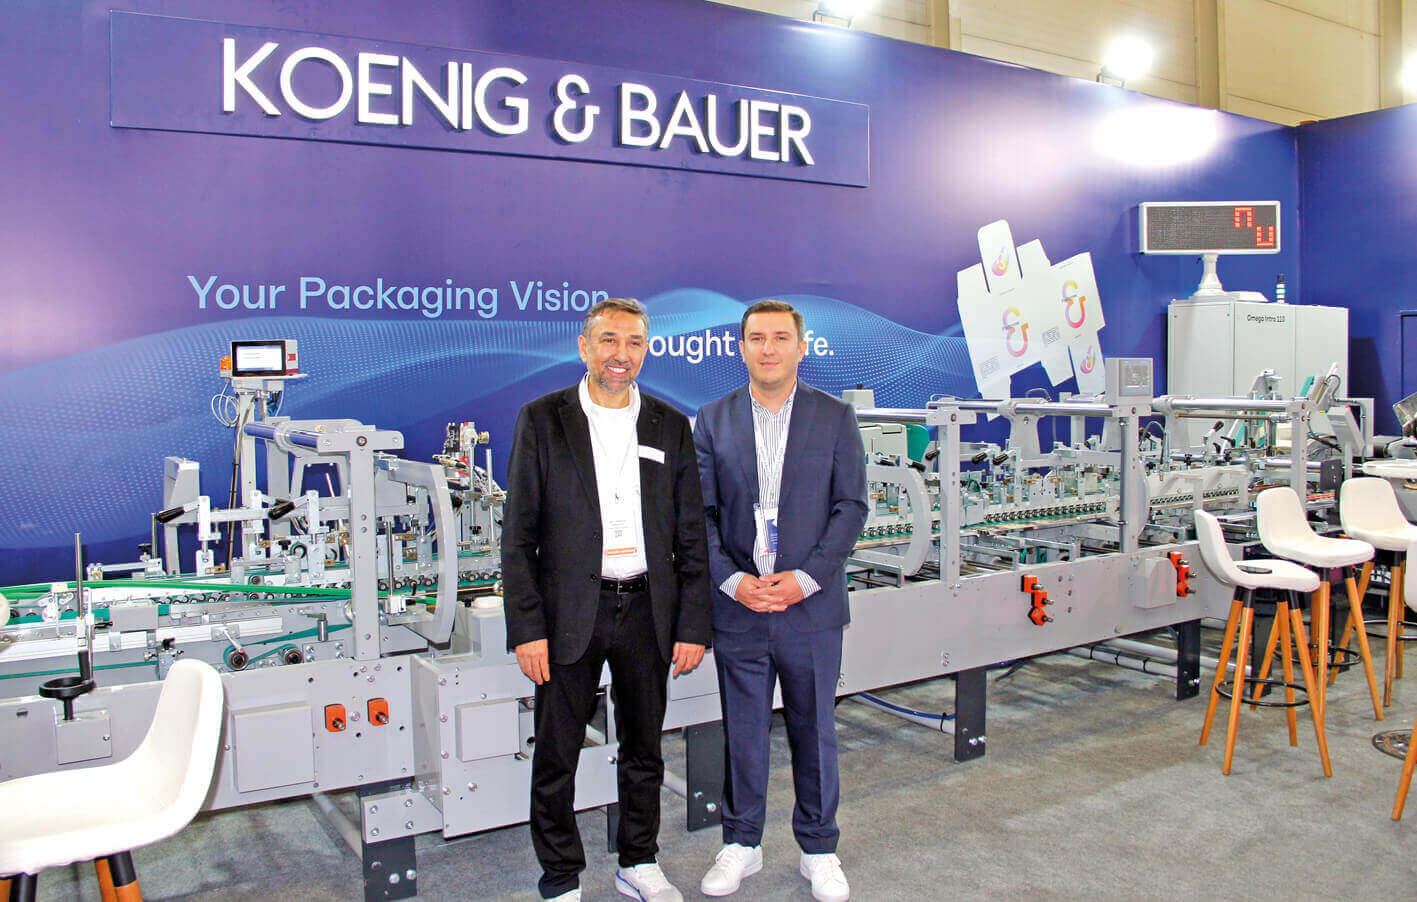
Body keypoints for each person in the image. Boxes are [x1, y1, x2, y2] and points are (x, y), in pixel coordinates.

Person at [503, 298, 712, 902]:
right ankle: (560, 875)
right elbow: (518, 534)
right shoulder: (543, 419)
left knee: (644, 748)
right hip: (571, 612)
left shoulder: (669, 425)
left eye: (634, 343)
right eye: (609, 341)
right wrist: (527, 628)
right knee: (557, 752)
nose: (622, 355)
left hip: (648, 610)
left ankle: (638, 860)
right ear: (585, 347)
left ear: (646, 350)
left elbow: (690, 533)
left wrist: (692, 624)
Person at [693, 300, 867, 902]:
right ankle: (741, 843)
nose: (768, 348)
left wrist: (808, 578)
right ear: (741, 348)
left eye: (780, 337)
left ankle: (819, 849)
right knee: (742, 731)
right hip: (740, 607)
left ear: (801, 346)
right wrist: (732, 581)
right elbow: (698, 515)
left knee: (814, 731)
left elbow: (851, 507)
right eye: (756, 338)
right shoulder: (712, 420)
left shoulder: (834, 417)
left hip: (809, 609)